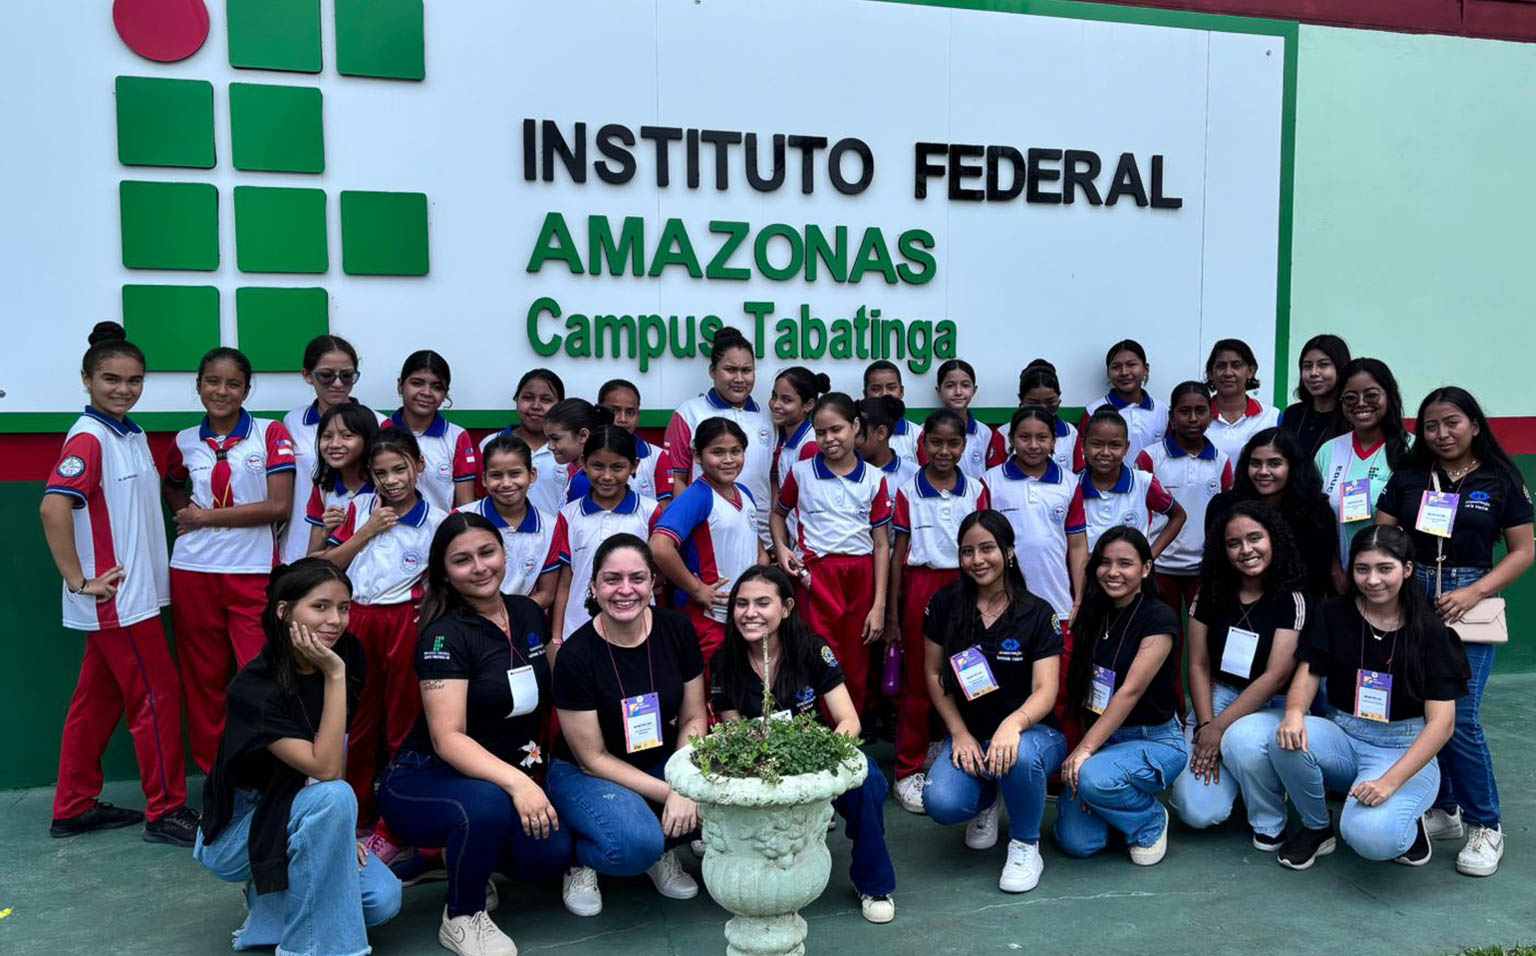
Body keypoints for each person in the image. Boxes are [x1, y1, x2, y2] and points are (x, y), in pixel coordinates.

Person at [377, 515, 575, 956]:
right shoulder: (443, 635)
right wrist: (519, 784)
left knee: (548, 856)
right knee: (485, 805)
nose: (480, 567)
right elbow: (448, 739)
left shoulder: (527, 611)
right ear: (445, 572)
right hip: (425, 777)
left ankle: (468, 858)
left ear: (504, 553)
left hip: (500, 777)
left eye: (487, 552)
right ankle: (462, 915)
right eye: (462, 560)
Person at [40, 322, 198, 846]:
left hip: (137, 597)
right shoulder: (89, 438)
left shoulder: (128, 433)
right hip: (119, 600)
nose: (123, 389)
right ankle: (166, 810)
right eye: (111, 379)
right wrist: (78, 580)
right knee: (157, 695)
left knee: (97, 701)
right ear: (87, 379)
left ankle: (73, 806)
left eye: (134, 380)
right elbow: (53, 507)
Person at [195, 559, 401, 955]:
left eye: (344, 608)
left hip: (306, 803)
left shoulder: (348, 654)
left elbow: (335, 755)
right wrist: (334, 675)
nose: (335, 620)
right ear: (284, 611)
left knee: (381, 899)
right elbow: (327, 770)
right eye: (320, 606)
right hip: (240, 828)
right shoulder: (253, 689)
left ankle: (270, 900)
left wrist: (337, 830)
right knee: (335, 796)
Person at [1375, 387, 1534, 876]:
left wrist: (1473, 593)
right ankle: (1445, 811)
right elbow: (1384, 536)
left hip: (1470, 601)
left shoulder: (1500, 479)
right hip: (1412, 596)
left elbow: (1524, 551)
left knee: (1460, 717)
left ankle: (1487, 825)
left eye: (1452, 422)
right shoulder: (1409, 476)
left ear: (1475, 425)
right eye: (1430, 425)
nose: (1441, 433)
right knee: (1420, 710)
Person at [1259, 525, 1468, 870]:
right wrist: (1294, 713)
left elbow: (1442, 725)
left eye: (1385, 568)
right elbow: (1309, 672)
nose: (1372, 580)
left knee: (1372, 839)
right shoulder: (1332, 613)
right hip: (1344, 734)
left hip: (1401, 746)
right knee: (1284, 738)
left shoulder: (1431, 630)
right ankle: (1317, 827)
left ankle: (1408, 817)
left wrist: (1390, 783)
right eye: (1362, 569)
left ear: (1407, 569)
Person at [711, 565, 897, 922]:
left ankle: (874, 883)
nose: (750, 613)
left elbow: (849, 721)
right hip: (760, 766)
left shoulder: (812, 649)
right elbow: (734, 733)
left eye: (762, 603)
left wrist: (817, 768)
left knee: (869, 781)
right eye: (741, 604)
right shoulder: (724, 662)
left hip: (817, 757)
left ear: (786, 608)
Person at [548, 535, 707, 913]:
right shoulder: (575, 656)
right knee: (634, 844)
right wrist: (673, 793)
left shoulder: (677, 630)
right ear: (593, 586)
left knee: (718, 801)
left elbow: (694, 716)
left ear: (653, 582)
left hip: (658, 756)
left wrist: (685, 779)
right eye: (611, 579)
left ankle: (659, 850)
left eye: (637, 578)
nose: (625, 590)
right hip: (586, 772)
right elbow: (592, 758)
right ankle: (580, 860)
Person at [164, 346, 296, 773]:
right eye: (212, 382)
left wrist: (204, 517)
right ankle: (216, 773)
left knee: (258, 671)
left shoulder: (270, 433)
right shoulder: (185, 440)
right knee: (203, 677)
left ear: (247, 389)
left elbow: (279, 506)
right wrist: (185, 514)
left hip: (251, 570)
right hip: (193, 570)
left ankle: (261, 770)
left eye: (233, 384)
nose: (222, 391)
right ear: (199, 385)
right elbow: (173, 483)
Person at [921, 512, 1067, 893]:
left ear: (1009, 551)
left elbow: (1046, 690)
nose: (977, 560)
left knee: (1019, 755)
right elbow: (935, 675)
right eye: (967, 551)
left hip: (1034, 734)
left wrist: (1012, 725)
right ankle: (989, 796)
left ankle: (1025, 844)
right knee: (942, 802)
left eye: (987, 549)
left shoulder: (1038, 612)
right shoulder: (945, 604)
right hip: (972, 733)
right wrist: (959, 733)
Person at [320, 428, 449, 826]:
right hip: (357, 619)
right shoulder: (358, 509)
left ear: (419, 466)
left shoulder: (438, 522)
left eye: (399, 469)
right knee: (355, 718)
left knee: (402, 722)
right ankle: (357, 813)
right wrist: (368, 530)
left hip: (405, 623)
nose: (391, 480)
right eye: (381, 472)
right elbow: (328, 565)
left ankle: (396, 820)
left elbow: (442, 583)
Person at [1170, 502, 1306, 848]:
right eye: (1234, 543)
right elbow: (1197, 664)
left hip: (1271, 703)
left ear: (1273, 539)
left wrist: (1218, 729)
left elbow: (1275, 676)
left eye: (1255, 538)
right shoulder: (1210, 592)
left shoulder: (1292, 599)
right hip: (1218, 695)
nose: (1246, 550)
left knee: (1241, 741)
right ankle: (1240, 779)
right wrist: (1205, 725)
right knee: (1197, 811)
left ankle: (1269, 815)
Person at [1053, 528, 1186, 865]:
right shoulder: (1093, 614)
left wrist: (1085, 753)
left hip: (1154, 739)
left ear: (1146, 568)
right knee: (1079, 842)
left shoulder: (1159, 617)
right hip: (1104, 741)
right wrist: (1092, 753)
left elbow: (1130, 691)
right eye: (1105, 562)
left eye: (1125, 563)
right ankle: (1109, 801)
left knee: (1093, 778)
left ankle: (1150, 820)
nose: (1113, 572)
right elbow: (1086, 695)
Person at [888, 408, 989, 813]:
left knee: (970, 672)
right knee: (920, 678)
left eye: (953, 443)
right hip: (922, 586)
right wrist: (893, 614)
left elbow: (987, 546)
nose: (944, 451)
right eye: (936, 442)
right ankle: (907, 768)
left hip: (969, 585)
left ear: (964, 446)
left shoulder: (976, 489)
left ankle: (955, 746)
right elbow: (897, 556)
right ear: (922, 443)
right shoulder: (907, 491)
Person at [772, 393, 892, 714]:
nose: (828, 439)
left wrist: (879, 605)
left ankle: (851, 732)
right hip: (817, 574)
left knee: (856, 656)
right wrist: (782, 548)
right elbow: (778, 515)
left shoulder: (875, 479)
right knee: (818, 651)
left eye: (836, 429)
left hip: (861, 574)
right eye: (820, 432)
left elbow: (882, 544)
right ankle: (817, 728)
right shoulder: (801, 472)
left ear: (855, 426)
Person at [651, 418, 766, 673]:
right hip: (708, 617)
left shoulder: (745, 493)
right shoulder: (697, 496)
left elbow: (753, 543)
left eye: (736, 451)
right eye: (718, 452)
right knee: (707, 685)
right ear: (697, 456)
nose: (728, 460)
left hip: (743, 613)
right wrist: (697, 589)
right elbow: (659, 546)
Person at [660, 326, 775, 541]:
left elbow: (773, 480)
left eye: (747, 370)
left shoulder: (767, 418)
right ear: (712, 371)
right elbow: (676, 479)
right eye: (730, 370)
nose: (739, 378)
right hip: (709, 535)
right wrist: (699, 523)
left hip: (763, 538)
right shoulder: (689, 414)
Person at [549, 426, 662, 643]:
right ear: (584, 464)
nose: (607, 476)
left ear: (634, 466)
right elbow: (564, 582)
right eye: (598, 466)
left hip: (638, 628)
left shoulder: (649, 512)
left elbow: (659, 573)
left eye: (617, 467)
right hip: (579, 628)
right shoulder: (569, 515)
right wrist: (557, 637)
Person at [1136, 381, 1234, 623]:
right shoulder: (1150, 457)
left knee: (1206, 631)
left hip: (1203, 568)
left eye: (1200, 411)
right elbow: (1137, 511)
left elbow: (1226, 516)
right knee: (1164, 632)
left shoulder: (1221, 461)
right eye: (1184, 411)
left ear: (1211, 415)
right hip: (1159, 566)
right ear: (1171, 416)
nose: (1193, 418)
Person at [280, 334, 383, 562]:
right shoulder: (293, 421)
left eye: (347, 376)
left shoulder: (378, 422)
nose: (337, 384)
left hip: (366, 549)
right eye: (326, 375)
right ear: (307, 375)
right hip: (301, 541)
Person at [983, 406, 1088, 627]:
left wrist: (1080, 597)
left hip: (1057, 602)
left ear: (1053, 441)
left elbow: (1077, 545)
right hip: (1003, 603)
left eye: (1042, 437)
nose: (1033, 445)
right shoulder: (991, 482)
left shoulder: (1069, 483)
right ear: (1011, 439)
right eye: (1024, 437)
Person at [1207, 428, 1343, 596]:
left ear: (1293, 467)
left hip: (1297, 604)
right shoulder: (1223, 507)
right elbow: (1215, 566)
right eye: (1256, 463)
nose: (1263, 472)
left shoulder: (1316, 513)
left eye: (1274, 464)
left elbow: (1317, 578)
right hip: (1236, 602)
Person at [1315, 357, 1412, 567]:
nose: (1360, 403)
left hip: (1398, 575)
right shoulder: (1329, 451)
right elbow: (1316, 520)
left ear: (1389, 396)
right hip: (1340, 575)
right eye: (1350, 397)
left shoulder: (1412, 448)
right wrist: (1336, 572)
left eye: (1371, 395)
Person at [457, 433, 558, 607]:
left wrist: (507, 614)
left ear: (532, 475)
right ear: (484, 479)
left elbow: (546, 593)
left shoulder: (551, 526)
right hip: (467, 614)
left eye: (515, 474)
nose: (506, 483)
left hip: (520, 615)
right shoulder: (461, 518)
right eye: (496, 475)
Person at [1071, 408, 1186, 555]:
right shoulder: (1072, 486)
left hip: (1132, 569)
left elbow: (1178, 515)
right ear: (1084, 446)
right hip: (1086, 569)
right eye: (1097, 444)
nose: (1105, 452)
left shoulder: (1143, 482)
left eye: (1115, 445)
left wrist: (1149, 556)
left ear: (1126, 448)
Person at [388, 350, 477, 511]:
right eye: (417, 383)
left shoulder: (457, 436)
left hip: (442, 526)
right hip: (388, 526)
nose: (426, 393)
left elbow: (465, 505)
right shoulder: (382, 430)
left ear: (445, 393)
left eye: (437, 387)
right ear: (400, 385)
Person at [482, 368, 566, 516]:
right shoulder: (490, 443)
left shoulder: (568, 450)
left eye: (546, 400)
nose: (536, 406)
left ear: (560, 405)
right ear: (517, 400)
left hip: (555, 530)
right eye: (528, 398)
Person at [770, 366, 830, 568]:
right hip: (792, 547)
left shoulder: (810, 446)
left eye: (786, 400)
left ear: (808, 405)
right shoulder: (782, 439)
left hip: (811, 552)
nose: (776, 404)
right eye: (774, 396)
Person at [302, 402, 379, 556]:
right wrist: (326, 531)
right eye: (327, 436)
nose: (334, 444)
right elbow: (311, 558)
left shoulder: (384, 486)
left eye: (347, 436)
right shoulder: (323, 489)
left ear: (368, 439)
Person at [1073, 339, 1164, 470]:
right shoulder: (1094, 410)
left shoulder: (1161, 411)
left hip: (1153, 482)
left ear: (1146, 369)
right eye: (1116, 367)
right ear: (1108, 373)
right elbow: (1081, 455)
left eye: (1131, 365)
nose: (1124, 372)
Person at [917, 359, 1006, 479]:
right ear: (939, 391)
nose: (958, 392)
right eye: (950, 386)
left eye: (965, 385)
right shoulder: (923, 431)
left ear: (974, 390)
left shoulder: (984, 432)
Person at [1204, 338, 1280, 462]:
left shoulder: (1272, 417)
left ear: (1250, 371)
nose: (1228, 373)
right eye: (1221, 366)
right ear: (1211, 373)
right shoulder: (1196, 417)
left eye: (1236, 366)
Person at [1278, 334, 1351, 459]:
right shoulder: (1293, 414)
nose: (1313, 373)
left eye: (1323, 365)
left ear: (1340, 369)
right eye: (1307, 366)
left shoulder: (1350, 417)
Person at [598, 378, 660, 500]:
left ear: (638, 415)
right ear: (599, 411)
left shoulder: (657, 456)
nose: (623, 419)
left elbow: (665, 505)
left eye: (630, 413)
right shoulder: (582, 453)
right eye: (615, 411)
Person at [542, 399, 613, 503]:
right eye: (548, 439)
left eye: (556, 439)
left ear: (583, 435)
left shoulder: (587, 480)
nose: (550, 446)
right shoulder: (573, 470)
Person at [857, 396, 920, 513]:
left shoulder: (914, 474)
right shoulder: (846, 472)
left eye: (858, 434)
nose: (850, 440)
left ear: (881, 433)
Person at [1017, 359, 1075, 473]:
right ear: (1021, 399)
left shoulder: (1071, 433)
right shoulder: (1004, 434)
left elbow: (1078, 472)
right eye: (1034, 403)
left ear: (1059, 397)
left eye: (1050, 401)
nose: (1043, 408)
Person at [863, 359, 919, 464]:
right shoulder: (857, 434)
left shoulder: (917, 434)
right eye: (876, 389)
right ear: (865, 394)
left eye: (891, 388)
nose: (885, 393)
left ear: (901, 391)